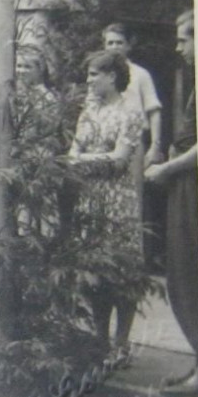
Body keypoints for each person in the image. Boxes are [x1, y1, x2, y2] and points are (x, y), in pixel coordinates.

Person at [67, 49, 147, 364]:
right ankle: (100, 339)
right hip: (91, 199)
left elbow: (119, 162)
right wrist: (90, 159)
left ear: (112, 77)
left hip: (118, 200)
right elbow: (72, 154)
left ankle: (121, 343)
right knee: (94, 273)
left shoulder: (130, 112)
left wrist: (86, 159)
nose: (88, 81)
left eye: (94, 75)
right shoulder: (88, 111)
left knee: (121, 272)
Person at [146, 10, 198, 397]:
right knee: (182, 272)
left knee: (194, 269)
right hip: (184, 183)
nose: (178, 47)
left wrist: (169, 167)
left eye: (184, 39)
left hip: (195, 183)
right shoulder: (196, 81)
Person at [102, 23, 165, 165]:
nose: (114, 47)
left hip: (134, 140)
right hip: (104, 140)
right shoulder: (99, 76)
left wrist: (155, 146)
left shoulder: (140, 74)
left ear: (128, 46)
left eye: (119, 43)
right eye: (110, 43)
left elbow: (154, 111)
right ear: (104, 47)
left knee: (133, 185)